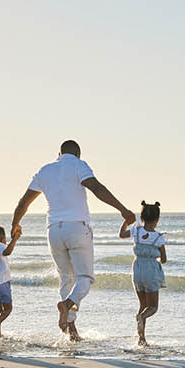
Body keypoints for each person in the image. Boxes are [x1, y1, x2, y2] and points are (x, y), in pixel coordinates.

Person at [11, 140, 135, 341]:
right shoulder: (79, 165)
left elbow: (23, 203)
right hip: (77, 228)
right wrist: (123, 210)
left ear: (58, 153)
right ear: (77, 153)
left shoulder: (44, 170)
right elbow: (97, 188)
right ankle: (67, 306)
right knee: (85, 279)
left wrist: (15, 224)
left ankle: (71, 329)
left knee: (66, 279)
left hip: (53, 231)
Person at [120, 201, 167, 346]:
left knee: (143, 304)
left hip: (137, 268)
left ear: (142, 217)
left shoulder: (136, 231)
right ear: (157, 219)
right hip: (151, 269)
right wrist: (156, 260)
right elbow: (163, 259)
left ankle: (141, 338)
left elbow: (122, 235)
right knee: (152, 307)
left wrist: (125, 222)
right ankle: (141, 318)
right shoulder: (159, 237)